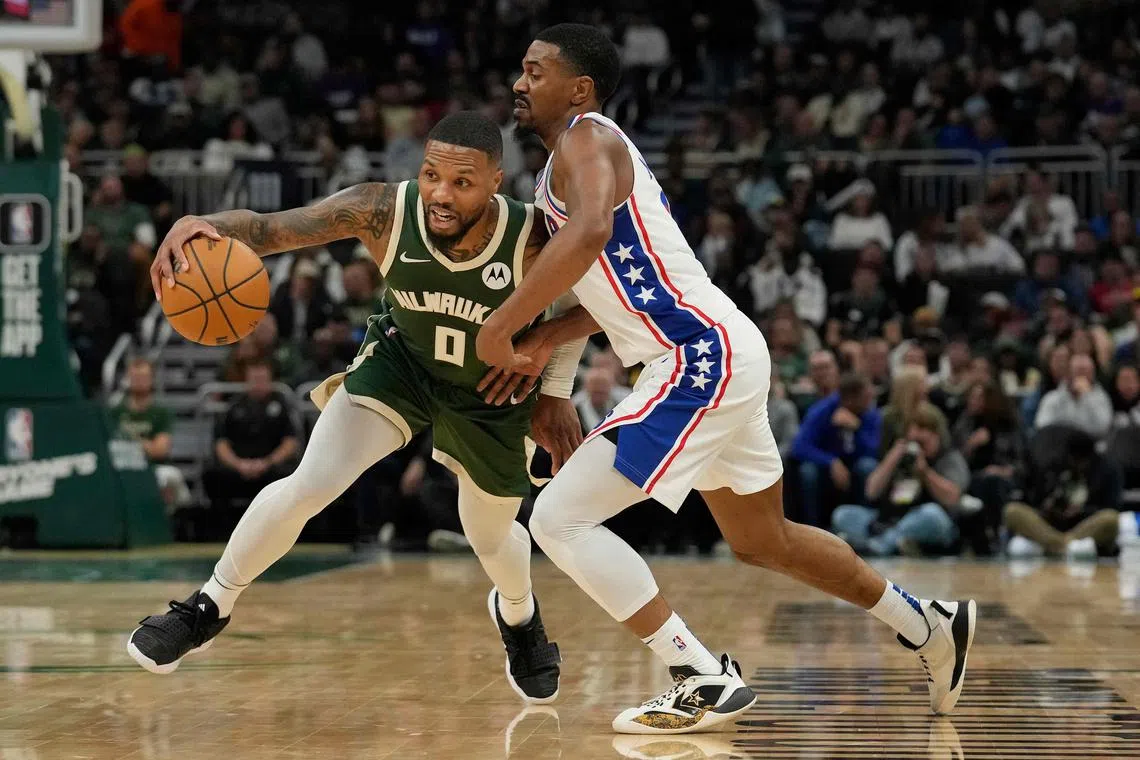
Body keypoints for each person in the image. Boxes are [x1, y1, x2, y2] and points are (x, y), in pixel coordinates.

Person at [475, 24, 976, 735]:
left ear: (579, 89)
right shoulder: (572, 160)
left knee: (559, 518)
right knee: (763, 539)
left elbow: (588, 238)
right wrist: (544, 342)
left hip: (696, 356)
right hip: (718, 350)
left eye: (535, 71)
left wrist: (501, 328)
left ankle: (698, 675)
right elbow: (607, 288)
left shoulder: (587, 138)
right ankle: (926, 624)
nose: (519, 83)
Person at [128, 112, 584, 705]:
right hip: (403, 363)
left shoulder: (533, 237)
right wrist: (200, 224)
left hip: (491, 389)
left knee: (489, 534)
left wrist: (554, 391)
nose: (441, 195)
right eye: (431, 175)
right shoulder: (383, 211)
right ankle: (209, 606)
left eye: (462, 183)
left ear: (496, 181)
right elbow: (268, 229)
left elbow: (586, 304)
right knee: (311, 484)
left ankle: (519, 615)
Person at [832, 405, 969, 557]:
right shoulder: (901, 456)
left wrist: (925, 472)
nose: (916, 439)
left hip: (930, 522)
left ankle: (878, 545)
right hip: (889, 520)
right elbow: (871, 492)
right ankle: (892, 544)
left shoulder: (949, 458)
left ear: (937, 434)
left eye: (922, 431)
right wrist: (892, 458)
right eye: (912, 432)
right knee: (843, 514)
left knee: (932, 514)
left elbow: (952, 497)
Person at [201, 360, 300, 509]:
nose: (258, 384)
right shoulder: (234, 406)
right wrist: (238, 464)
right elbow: (221, 443)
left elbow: (290, 442)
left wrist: (267, 462)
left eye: (262, 379)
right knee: (212, 476)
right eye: (255, 379)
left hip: (270, 466)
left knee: (290, 475)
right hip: (239, 466)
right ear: (247, 381)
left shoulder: (281, 407)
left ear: (270, 380)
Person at [790, 373, 881, 528]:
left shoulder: (870, 414)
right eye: (866, 398)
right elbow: (799, 446)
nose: (870, 402)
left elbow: (874, 450)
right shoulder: (822, 411)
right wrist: (831, 461)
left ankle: (867, 525)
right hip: (825, 466)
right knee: (808, 471)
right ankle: (813, 527)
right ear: (850, 399)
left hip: (855, 463)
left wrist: (857, 428)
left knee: (868, 466)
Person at [108, 357, 189, 512]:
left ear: (152, 379)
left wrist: (130, 443)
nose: (139, 381)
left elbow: (160, 450)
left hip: (153, 467)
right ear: (127, 379)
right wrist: (145, 444)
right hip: (121, 467)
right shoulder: (115, 411)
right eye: (135, 377)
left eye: (143, 377)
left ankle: (179, 518)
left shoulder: (160, 412)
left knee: (172, 477)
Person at [1035, 353, 1113, 439]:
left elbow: (1103, 429)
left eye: (1086, 371)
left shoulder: (1101, 398)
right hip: (1059, 443)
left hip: (1090, 444)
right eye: (1079, 370)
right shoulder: (1052, 398)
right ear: (1068, 372)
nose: (1082, 376)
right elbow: (1042, 427)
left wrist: (1088, 397)